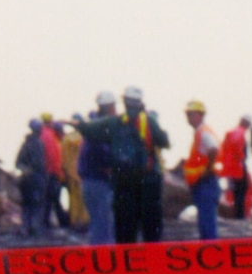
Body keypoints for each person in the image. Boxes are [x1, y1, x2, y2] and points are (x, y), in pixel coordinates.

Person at [112, 86, 169, 244]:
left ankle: (126, 262)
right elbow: (164, 141)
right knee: (151, 225)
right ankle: (153, 261)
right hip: (148, 178)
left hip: (123, 180)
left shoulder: (118, 121)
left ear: (124, 101)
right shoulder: (149, 119)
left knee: (125, 226)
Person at [77, 91, 120, 245]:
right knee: (102, 226)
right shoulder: (99, 129)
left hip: (93, 181)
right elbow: (102, 154)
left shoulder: (95, 126)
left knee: (101, 224)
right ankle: (102, 262)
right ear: (110, 107)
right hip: (97, 181)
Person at [182, 100, 220, 241]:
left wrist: (207, 169)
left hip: (206, 182)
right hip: (201, 183)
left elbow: (214, 149)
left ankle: (211, 255)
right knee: (205, 223)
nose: (189, 117)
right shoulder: (199, 132)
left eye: (192, 114)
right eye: (188, 114)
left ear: (200, 115)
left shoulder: (203, 132)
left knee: (207, 224)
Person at [15, 118, 50, 237]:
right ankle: (34, 229)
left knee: (27, 205)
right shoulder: (38, 144)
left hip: (27, 180)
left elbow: (18, 163)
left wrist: (25, 171)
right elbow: (40, 164)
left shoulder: (26, 144)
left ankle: (26, 228)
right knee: (36, 204)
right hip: (35, 179)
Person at [219, 114, 252, 221]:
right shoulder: (240, 132)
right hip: (237, 166)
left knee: (235, 192)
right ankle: (240, 216)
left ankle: (237, 215)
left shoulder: (230, 133)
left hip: (230, 166)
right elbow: (237, 146)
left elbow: (223, 149)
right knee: (241, 190)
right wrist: (241, 157)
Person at [60, 117, 87, 230]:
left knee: (73, 199)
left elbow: (63, 157)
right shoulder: (84, 138)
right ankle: (85, 220)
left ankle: (74, 220)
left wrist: (65, 171)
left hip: (71, 173)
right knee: (84, 199)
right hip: (83, 172)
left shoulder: (66, 139)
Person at [39, 113, 65, 228]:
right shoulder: (50, 136)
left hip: (46, 172)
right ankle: (48, 222)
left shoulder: (42, 134)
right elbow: (53, 156)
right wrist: (58, 172)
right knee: (52, 198)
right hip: (51, 172)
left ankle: (46, 222)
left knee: (50, 199)